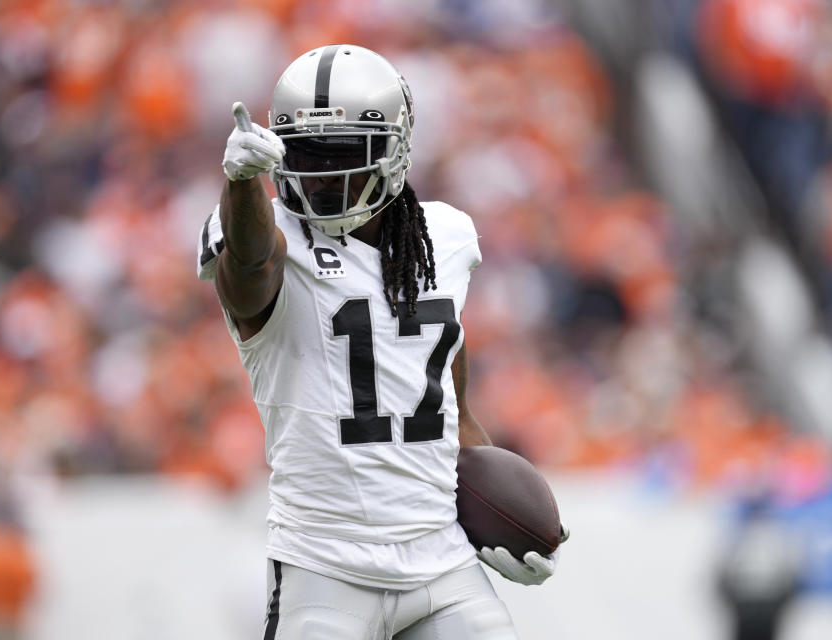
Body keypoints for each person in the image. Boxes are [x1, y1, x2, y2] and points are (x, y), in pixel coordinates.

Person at [197, 44, 567, 640]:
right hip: (326, 568)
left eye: (343, 153)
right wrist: (242, 187)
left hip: (442, 563)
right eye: (306, 153)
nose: (323, 178)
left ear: (395, 150)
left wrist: (497, 510)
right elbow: (248, 279)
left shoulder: (444, 238)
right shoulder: (262, 234)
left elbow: (452, 404)